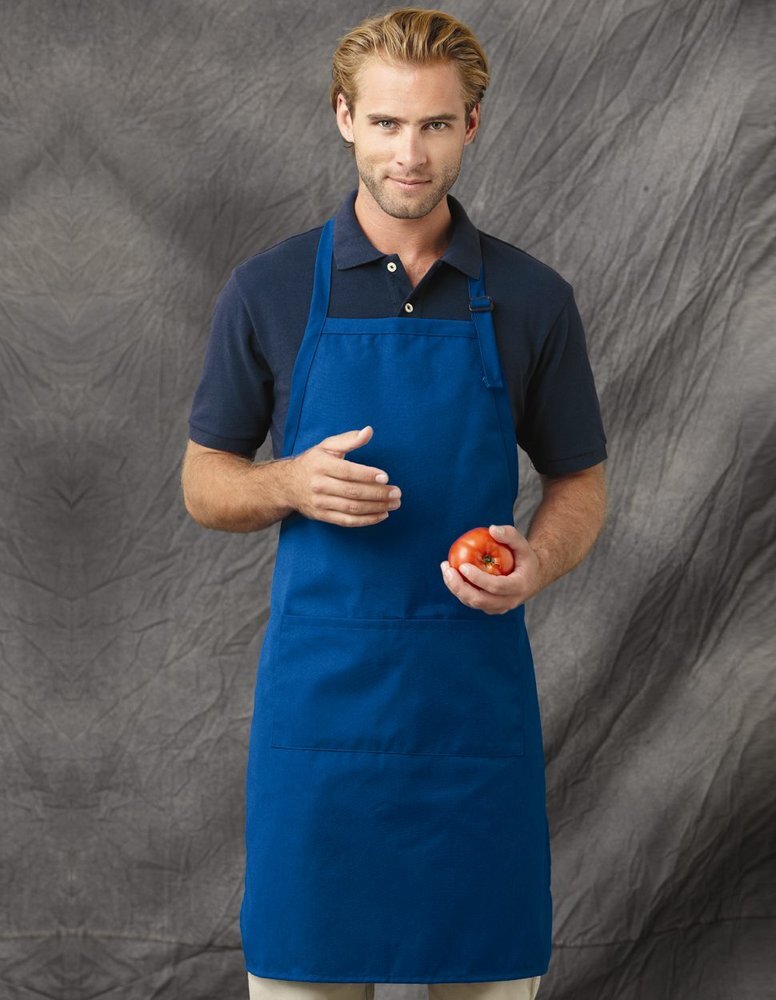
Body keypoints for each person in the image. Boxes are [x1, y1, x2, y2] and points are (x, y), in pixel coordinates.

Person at [181, 7, 608, 1000]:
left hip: (469, 718)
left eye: (434, 124)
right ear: (344, 118)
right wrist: (287, 481)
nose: (408, 154)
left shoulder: (532, 298)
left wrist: (537, 561)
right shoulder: (268, 289)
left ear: (472, 126)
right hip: (319, 719)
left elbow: (579, 480)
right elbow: (204, 481)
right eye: (385, 123)